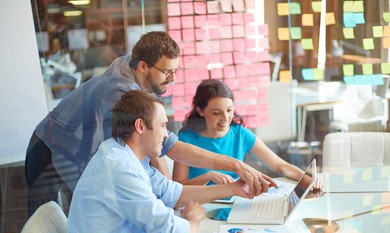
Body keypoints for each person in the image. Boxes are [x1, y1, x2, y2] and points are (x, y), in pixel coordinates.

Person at [25, 31, 274, 217]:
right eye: (167, 72)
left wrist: (169, 193)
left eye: (175, 70)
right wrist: (235, 164)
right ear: (144, 66)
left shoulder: (136, 66)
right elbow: (167, 145)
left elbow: (157, 143)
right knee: (55, 224)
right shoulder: (119, 92)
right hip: (51, 147)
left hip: (77, 145)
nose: (173, 79)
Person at [62, 90, 251, 233]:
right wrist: (192, 219)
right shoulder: (120, 170)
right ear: (140, 126)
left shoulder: (125, 154)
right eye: (162, 126)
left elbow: (174, 194)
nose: (167, 135)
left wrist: (232, 188)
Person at [173, 79, 306, 186]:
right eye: (216, 113)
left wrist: (308, 180)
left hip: (235, 204)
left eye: (229, 110)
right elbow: (177, 188)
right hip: (202, 207)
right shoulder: (187, 139)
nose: (225, 119)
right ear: (201, 111)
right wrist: (207, 177)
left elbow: (280, 166)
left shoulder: (240, 134)